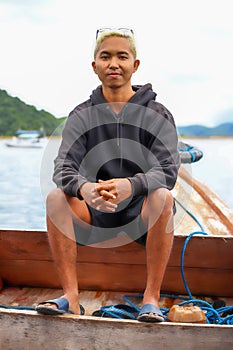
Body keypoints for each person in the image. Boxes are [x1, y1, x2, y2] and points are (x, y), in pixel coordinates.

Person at [36, 28, 180, 322]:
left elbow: (167, 171)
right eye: (105, 57)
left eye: (122, 56)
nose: (113, 63)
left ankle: (150, 298)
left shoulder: (158, 114)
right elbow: (62, 168)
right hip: (94, 215)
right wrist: (86, 189)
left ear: (135, 65)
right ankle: (71, 297)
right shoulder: (81, 115)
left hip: (141, 217)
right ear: (95, 66)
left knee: (163, 197)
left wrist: (131, 185)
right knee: (55, 198)